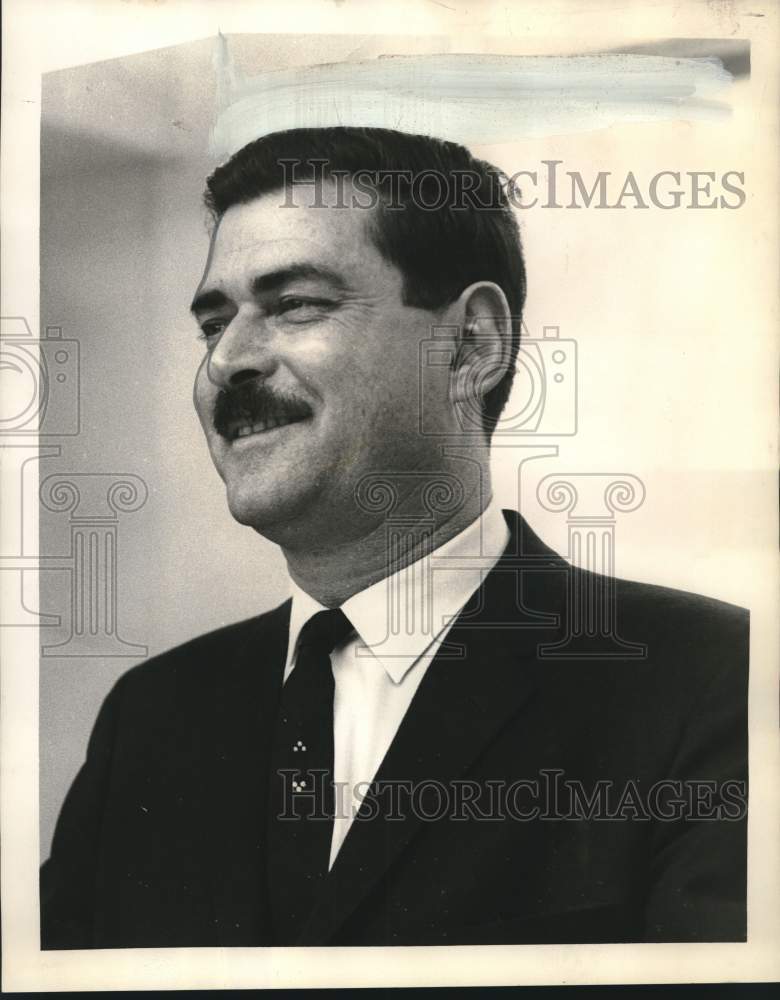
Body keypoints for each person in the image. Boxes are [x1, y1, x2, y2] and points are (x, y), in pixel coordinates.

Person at [40, 127, 748, 949]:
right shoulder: (150, 719)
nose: (227, 360)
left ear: (470, 345)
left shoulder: (709, 682)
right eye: (212, 323)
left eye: (295, 304)